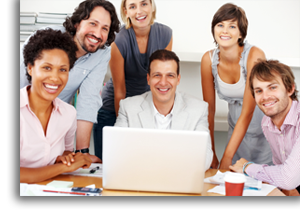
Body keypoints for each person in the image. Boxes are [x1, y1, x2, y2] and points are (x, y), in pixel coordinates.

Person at [20, 0, 120, 163]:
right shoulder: (46, 40)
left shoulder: (102, 53)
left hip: (54, 122)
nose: (97, 34)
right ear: (77, 23)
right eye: (93, 23)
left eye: (104, 28)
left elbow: (88, 100)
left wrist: (82, 153)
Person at [93, 0, 173, 160]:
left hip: (144, 109)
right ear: (126, 11)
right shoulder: (119, 39)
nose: (139, 11)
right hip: (113, 110)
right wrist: (123, 127)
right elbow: (120, 91)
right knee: (109, 166)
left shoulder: (165, 34)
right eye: (132, 6)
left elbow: (160, 82)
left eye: (144, 4)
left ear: (151, 6)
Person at [200, 3, 272, 169]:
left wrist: (226, 156)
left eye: (232, 26)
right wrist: (210, 152)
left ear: (241, 33)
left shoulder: (254, 55)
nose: (225, 31)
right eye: (220, 25)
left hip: (265, 134)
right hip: (236, 133)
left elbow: (248, 111)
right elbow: (209, 110)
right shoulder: (208, 60)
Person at [114, 49, 213, 170]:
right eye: (157, 75)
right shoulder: (128, 107)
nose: (163, 82)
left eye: (170, 75)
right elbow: (116, 153)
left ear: (178, 79)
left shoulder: (198, 109)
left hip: (179, 182)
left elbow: (205, 158)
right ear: (148, 79)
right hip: (141, 180)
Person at [20, 28, 92, 183]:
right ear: (30, 68)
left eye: (63, 70)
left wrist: (67, 158)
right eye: (47, 67)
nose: (55, 78)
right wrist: (64, 168)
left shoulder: (68, 114)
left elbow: (66, 151)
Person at [230, 60, 300, 196]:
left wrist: (247, 167)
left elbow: (287, 178)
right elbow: (283, 173)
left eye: (272, 87)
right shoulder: (267, 122)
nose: (265, 97)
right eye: (259, 91)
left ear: (290, 89)